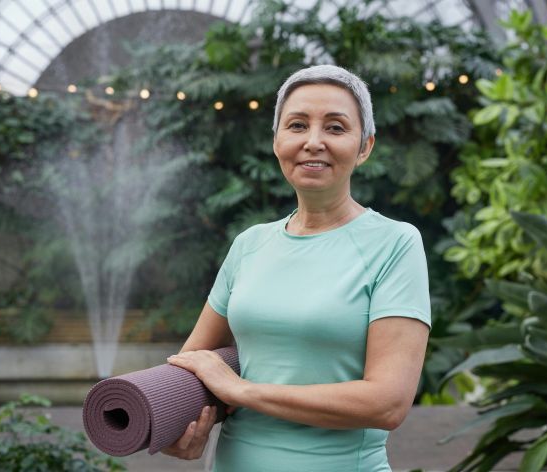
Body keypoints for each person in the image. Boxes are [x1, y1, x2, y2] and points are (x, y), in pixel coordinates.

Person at [163, 64, 431, 471]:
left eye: (336, 128)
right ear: (277, 141)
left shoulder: (395, 243)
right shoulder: (250, 244)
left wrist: (242, 392)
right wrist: (172, 421)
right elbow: (194, 364)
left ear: (365, 146)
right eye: (297, 125)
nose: (313, 142)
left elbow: (388, 403)